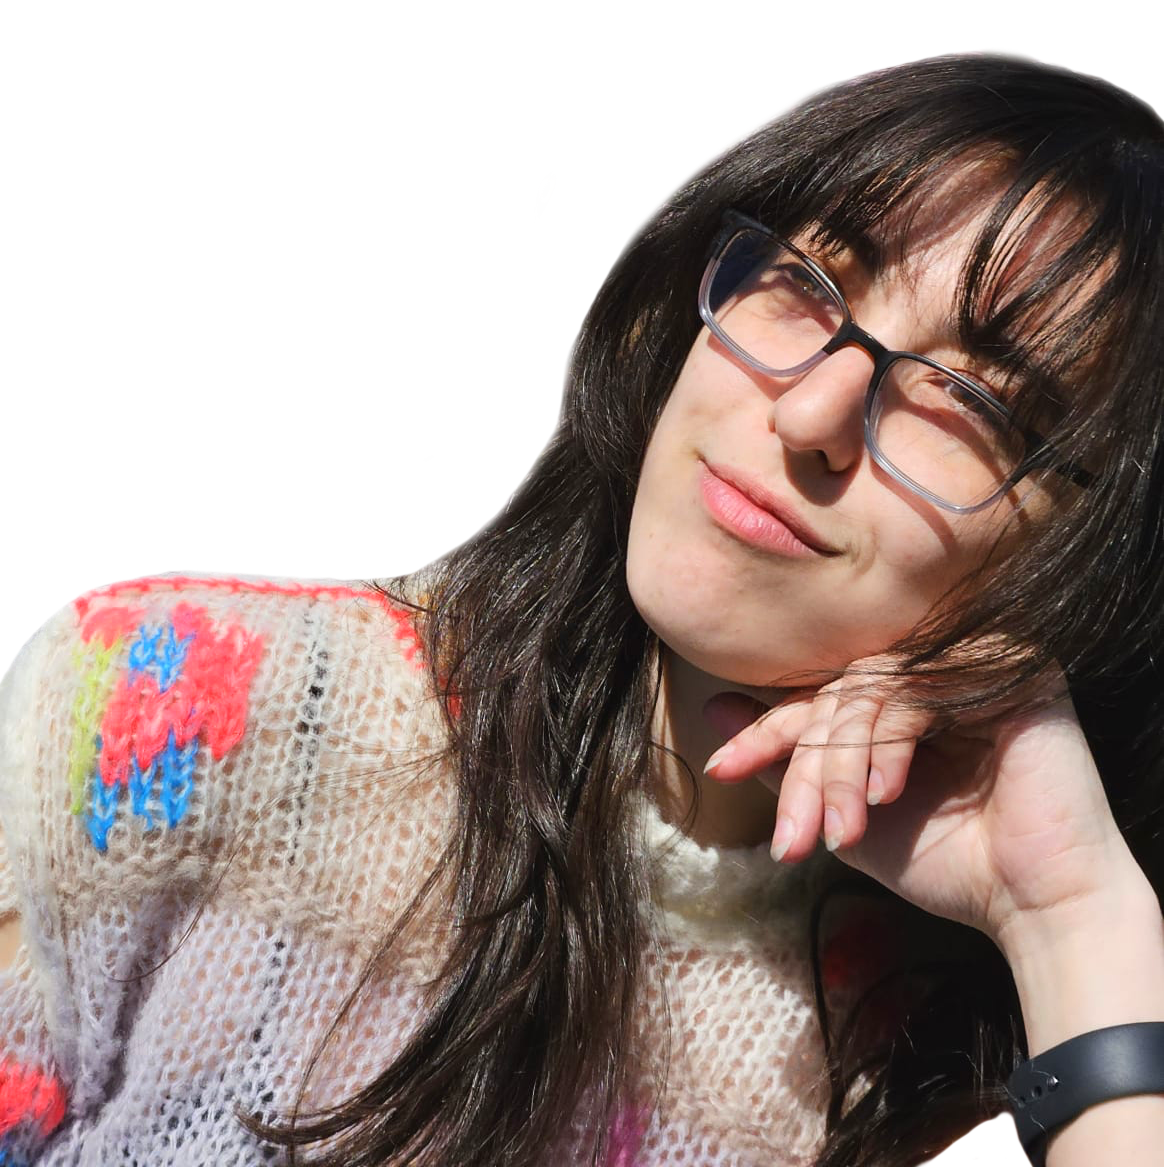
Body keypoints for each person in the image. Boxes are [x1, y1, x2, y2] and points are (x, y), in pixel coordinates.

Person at [1, 48, 1160, 1167]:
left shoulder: (971, 1052)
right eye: (805, 283)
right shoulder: (169, 709)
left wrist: (1072, 922)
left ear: (1096, 567)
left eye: (970, 402)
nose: (809, 415)